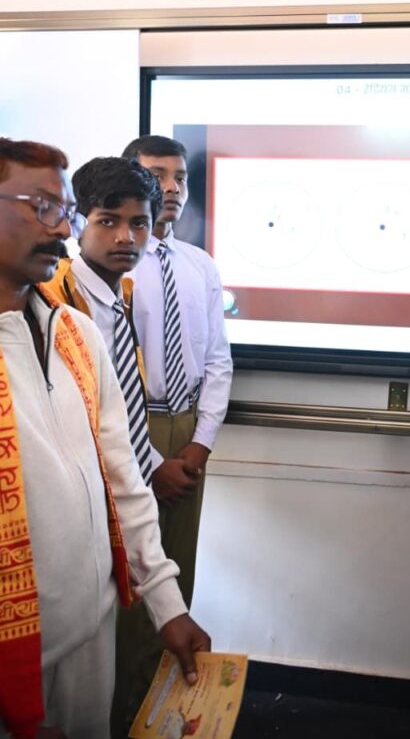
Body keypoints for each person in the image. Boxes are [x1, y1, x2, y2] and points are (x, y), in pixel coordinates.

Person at [0, 137, 210, 739]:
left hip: (91, 631)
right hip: (17, 647)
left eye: (63, 209)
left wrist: (166, 604)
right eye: (40, 206)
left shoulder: (75, 333)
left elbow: (122, 477)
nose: (60, 228)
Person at [114, 135, 232, 728]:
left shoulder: (199, 264)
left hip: (185, 431)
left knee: (175, 571)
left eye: (179, 177)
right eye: (156, 175)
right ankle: (120, 711)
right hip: (127, 429)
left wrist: (199, 443)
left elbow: (217, 360)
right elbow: (110, 380)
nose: (170, 188)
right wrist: (150, 460)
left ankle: (157, 711)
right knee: (127, 579)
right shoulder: (107, 266)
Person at [42, 156, 162, 483]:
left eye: (139, 223)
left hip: (124, 476)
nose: (126, 237)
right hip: (72, 476)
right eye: (108, 221)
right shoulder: (50, 298)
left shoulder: (124, 296)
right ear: (77, 224)